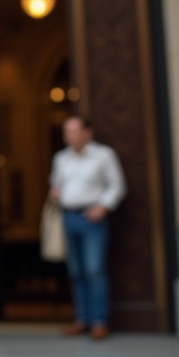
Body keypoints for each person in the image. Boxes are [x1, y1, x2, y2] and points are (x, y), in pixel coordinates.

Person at [48, 116, 126, 341]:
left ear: (87, 133)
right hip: (68, 216)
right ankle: (82, 319)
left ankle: (99, 321)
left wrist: (104, 206)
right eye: (66, 132)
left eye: (73, 131)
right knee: (76, 271)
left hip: (91, 218)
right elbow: (56, 183)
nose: (69, 136)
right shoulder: (61, 158)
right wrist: (55, 192)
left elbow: (117, 185)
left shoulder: (104, 155)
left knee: (94, 269)